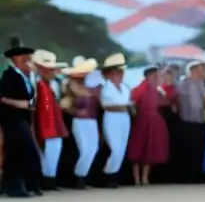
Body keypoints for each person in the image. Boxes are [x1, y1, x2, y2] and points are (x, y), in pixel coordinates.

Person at [0, 38, 43, 197]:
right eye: (22, 56)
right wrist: (21, 104)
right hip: (11, 118)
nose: (26, 59)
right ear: (14, 59)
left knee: (24, 151)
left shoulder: (26, 77)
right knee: (20, 151)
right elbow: (2, 97)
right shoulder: (9, 75)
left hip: (22, 119)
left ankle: (28, 184)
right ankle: (15, 186)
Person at [31, 50, 68, 191]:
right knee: (48, 151)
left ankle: (50, 179)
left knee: (54, 150)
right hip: (45, 124)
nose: (53, 73)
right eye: (50, 70)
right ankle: (46, 179)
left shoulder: (49, 85)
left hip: (52, 124)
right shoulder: (39, 85)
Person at [127, 66, 170, 186]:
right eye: (155, 76)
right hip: (141, 121)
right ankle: (136, 178)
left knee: (150, 150)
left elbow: (165, 102)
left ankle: (145, 177)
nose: (157, 79)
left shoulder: (157, 90)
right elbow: (132, 104)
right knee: (138, 149)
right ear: (148, 76)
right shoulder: (138, 89)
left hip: (154, 121)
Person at [63, 57, 100, 188]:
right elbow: (64, 105)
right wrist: (76, 112)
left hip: (92, 121)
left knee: (93, 148)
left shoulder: (89, 85)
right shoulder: (69, 85)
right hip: (80, 121)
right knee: (85, 149)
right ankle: (78, 177)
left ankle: (82, 176)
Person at [99, 53, 132, 188]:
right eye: (117, 72)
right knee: (116, 149)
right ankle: (107, 173)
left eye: (121, 72)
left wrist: (127, 107)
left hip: (124, 118)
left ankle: (114, 176)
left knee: (122, 148)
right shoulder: (106, 87)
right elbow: (106, 105)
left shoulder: (125, 87)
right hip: (112, 118)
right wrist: (123, 106)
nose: (119, 75)